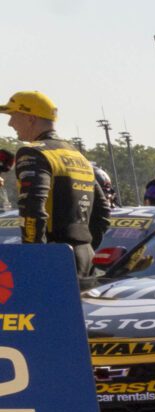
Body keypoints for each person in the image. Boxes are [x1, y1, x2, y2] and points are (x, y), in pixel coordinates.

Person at [4, 89, 109, 287]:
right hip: (86, 258)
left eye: (13, 116)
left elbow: (33, 210)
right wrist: (86, 246)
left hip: (54, 259)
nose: (10, 123)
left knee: (45, 317)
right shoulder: (77, 155)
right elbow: (103, 212)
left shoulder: (33, 152)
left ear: (30, 117)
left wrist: (34, 257)